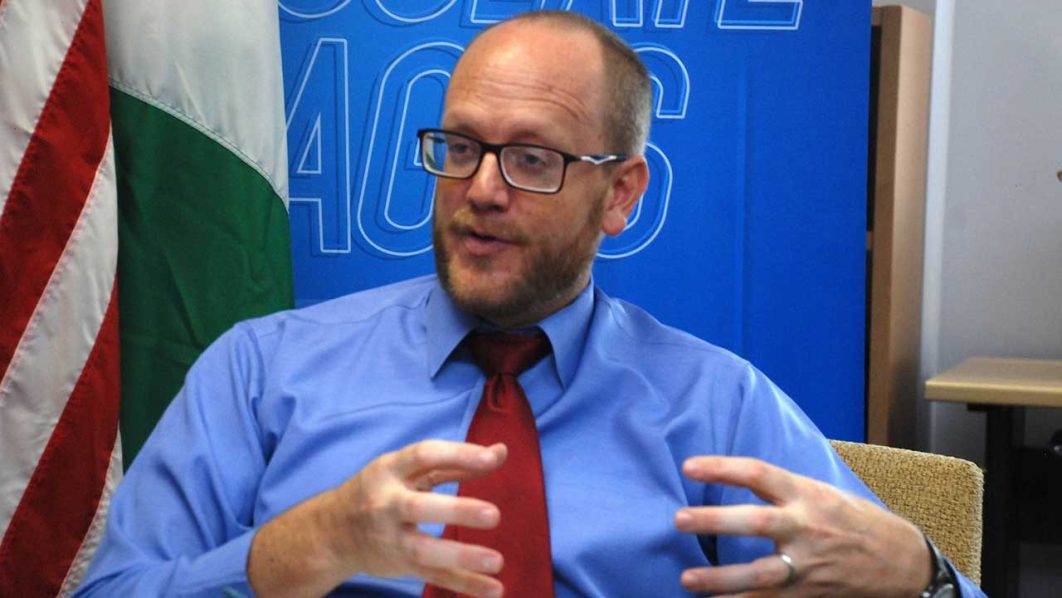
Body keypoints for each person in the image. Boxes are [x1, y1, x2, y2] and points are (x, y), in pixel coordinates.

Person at [77, 11, 982, 598]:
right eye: (460, 147)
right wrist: (296, 550)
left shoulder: (715, 405)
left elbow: (898, 573)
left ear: (620, 194)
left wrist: (924, 574)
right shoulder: (261, 370)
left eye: (533, 159)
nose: (481, 189)